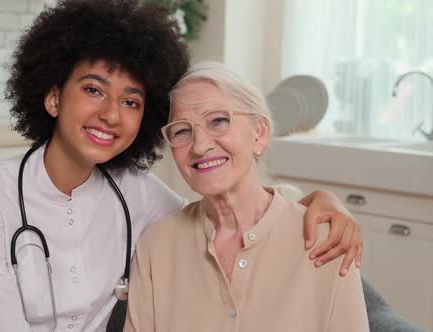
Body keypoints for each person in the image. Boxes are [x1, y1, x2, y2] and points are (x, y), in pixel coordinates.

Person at [0, 1, 362, 331]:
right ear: (53, 97)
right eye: (93, 89)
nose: (111, 115)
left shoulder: (139, 197)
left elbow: (225, 207)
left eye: (131, 101)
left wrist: (316, 203)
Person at [124, 61, 369, 332]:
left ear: (259, 133)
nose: (200, 145)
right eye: (182, 131)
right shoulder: (156, 246)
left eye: (218, 120)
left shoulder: (327, 240)